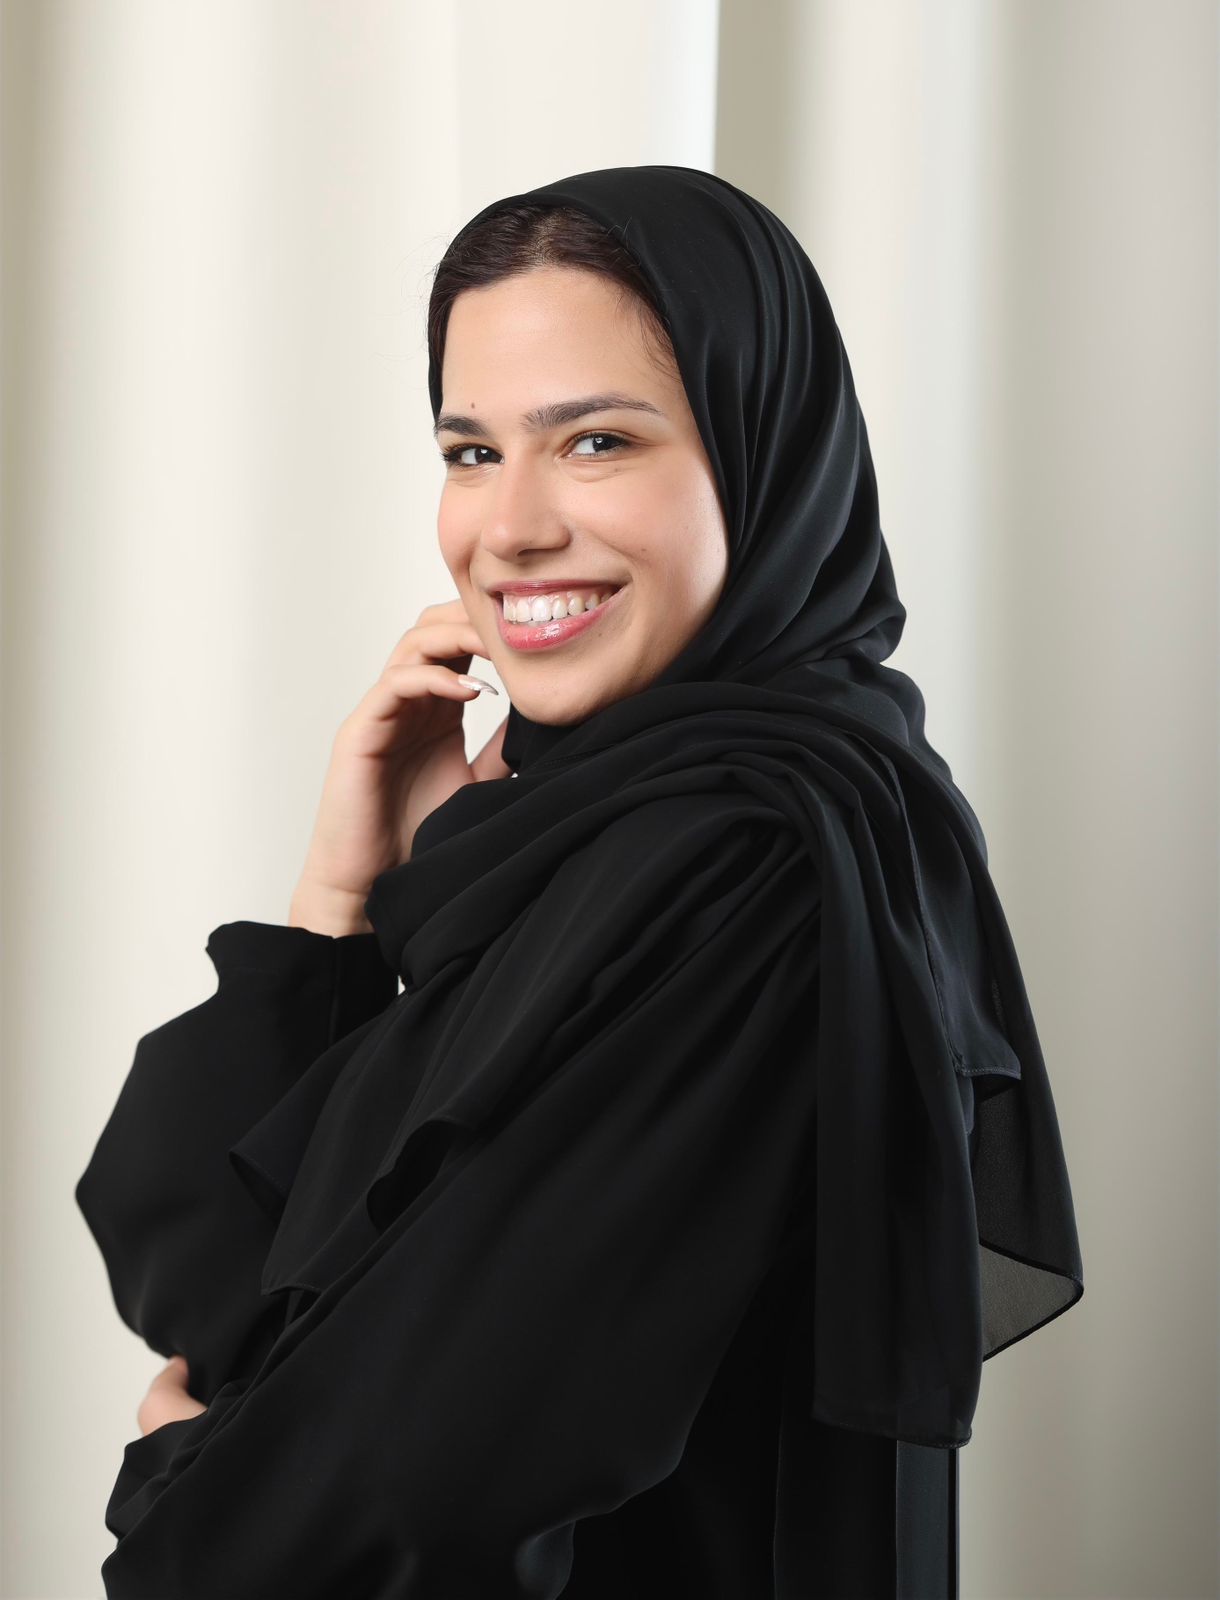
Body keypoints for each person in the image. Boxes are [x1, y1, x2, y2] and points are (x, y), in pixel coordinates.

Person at [76, 165, 1084, 1598]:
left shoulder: (759, 861)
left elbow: (403, 1476)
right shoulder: (580, 841)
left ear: (763, 452)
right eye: (471, 451)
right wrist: (338, 901)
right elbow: (220, 1294)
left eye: (596, 441)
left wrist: (192, 1486)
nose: (511, 528)